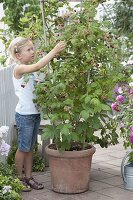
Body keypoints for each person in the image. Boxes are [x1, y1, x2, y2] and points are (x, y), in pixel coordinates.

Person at [7, 37, 66, 191]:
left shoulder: (28, 70)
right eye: (29, 49)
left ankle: (29, 177)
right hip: (24, 115)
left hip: (34, 114)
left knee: (30, 148)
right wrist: (54, 51)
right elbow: (38, 65)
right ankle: (19, 178)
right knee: (23, 148)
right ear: (18, 55)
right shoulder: (18, 68)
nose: (33, 52)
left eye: (33, 49)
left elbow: (31, 87)